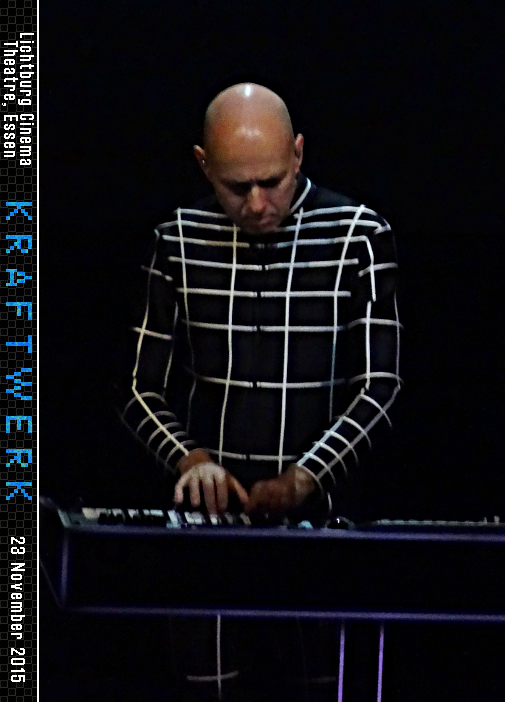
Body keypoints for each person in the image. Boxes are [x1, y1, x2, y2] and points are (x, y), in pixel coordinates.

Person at [117, 82, 401, 701]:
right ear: (203, 166)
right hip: (208, 531)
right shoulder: (177, 239)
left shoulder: (357, 235)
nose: (256, 204)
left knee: (322, 685)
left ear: (298, 154)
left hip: (320, 529)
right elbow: (139, 388)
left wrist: (306, 476)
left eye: (271, 182)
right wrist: (190, 460)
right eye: (236, 186)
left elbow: (380, 386)